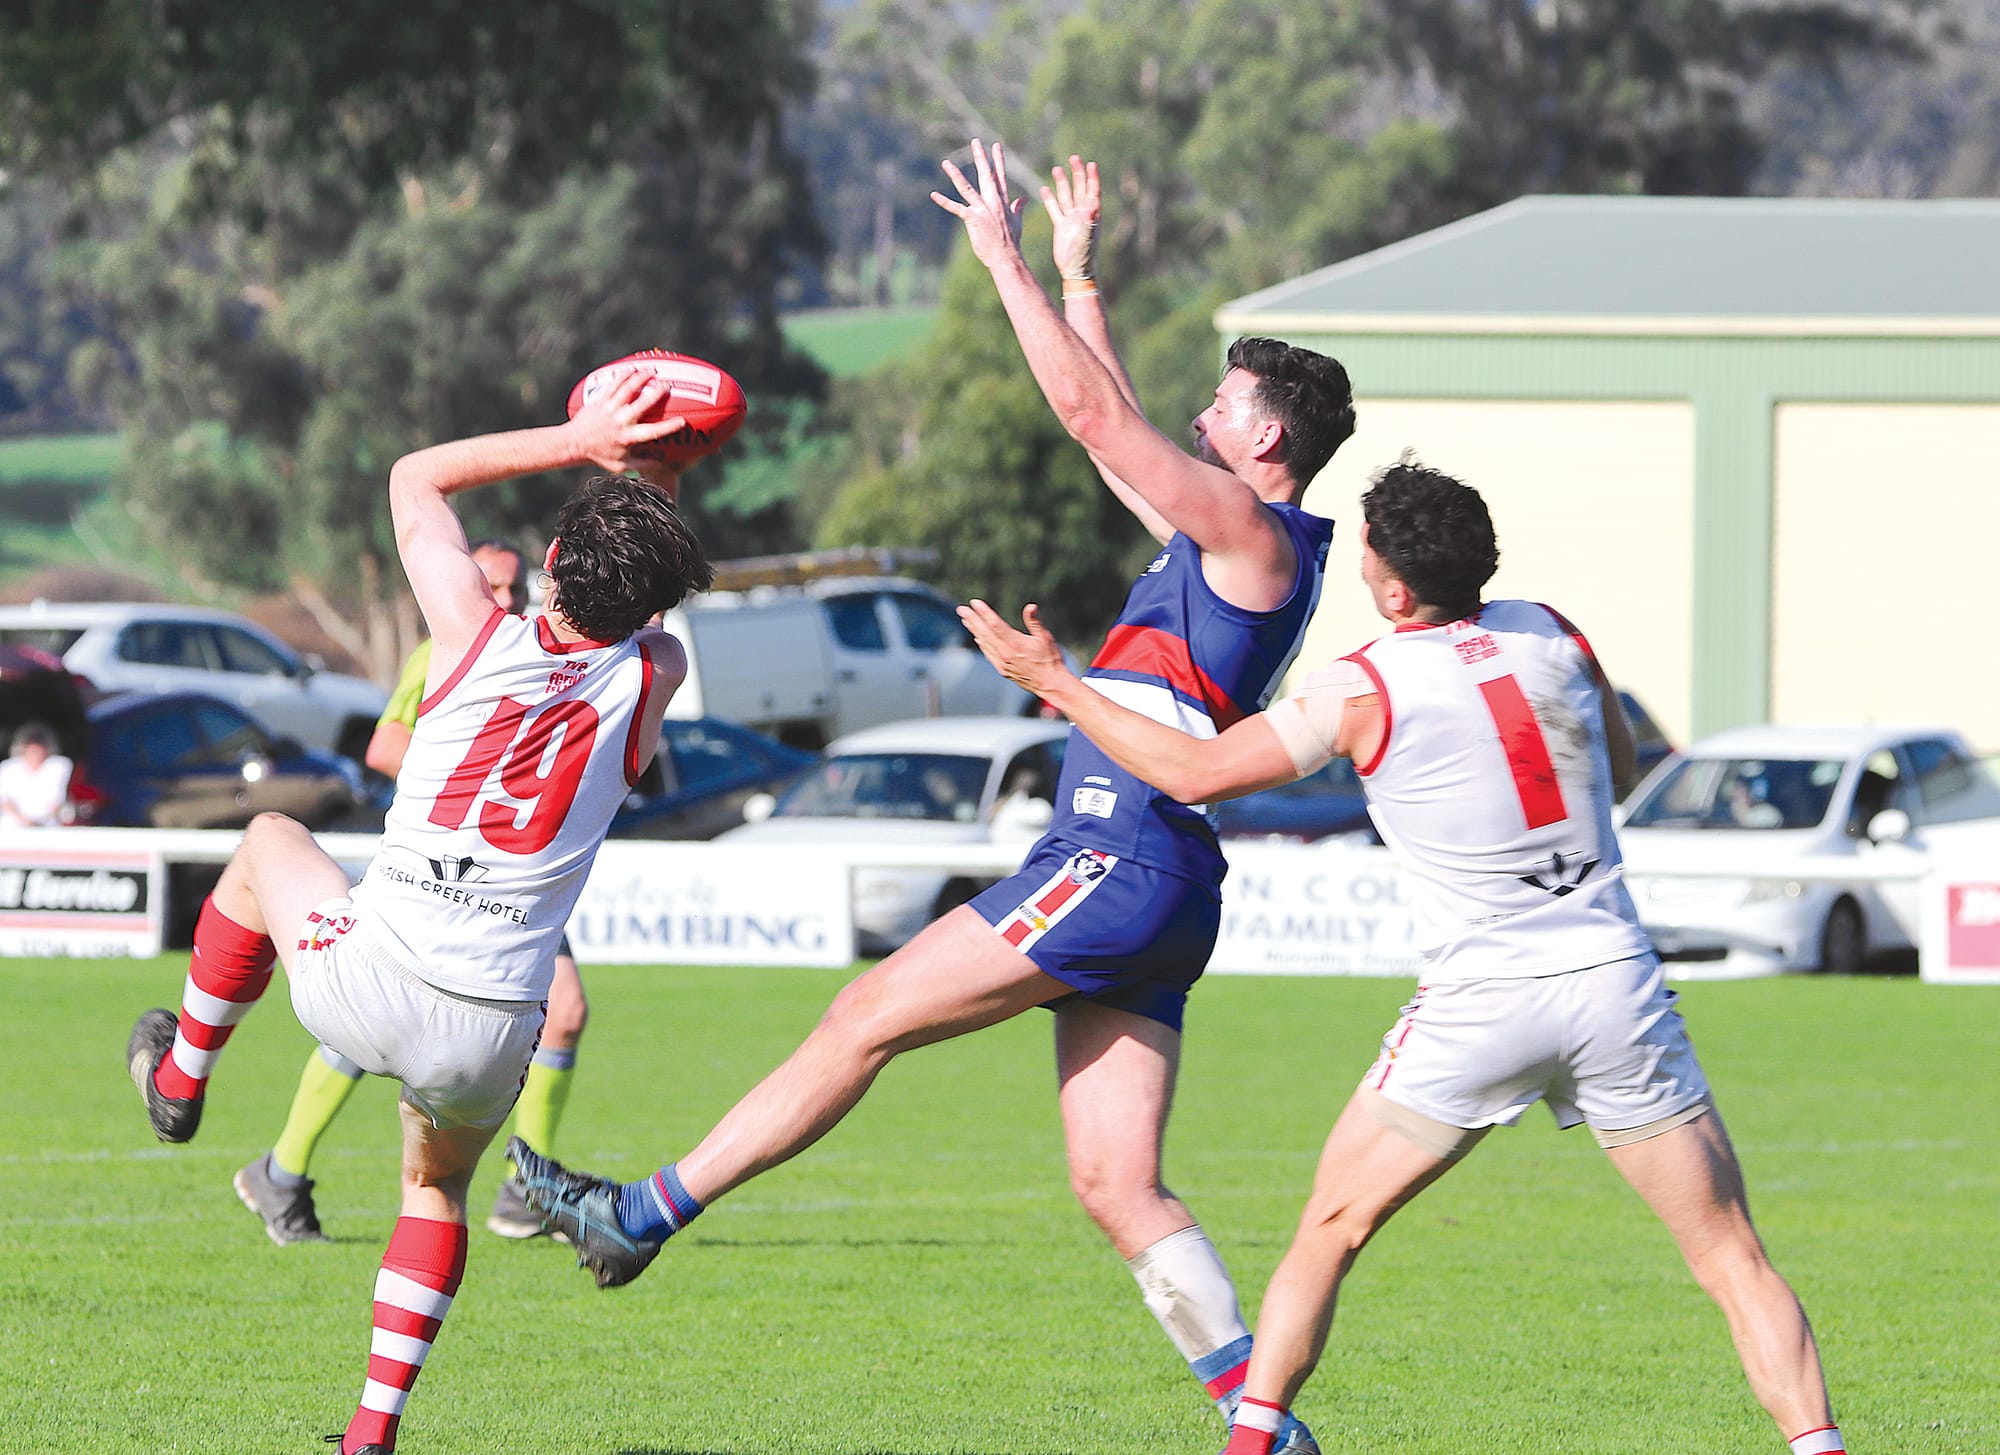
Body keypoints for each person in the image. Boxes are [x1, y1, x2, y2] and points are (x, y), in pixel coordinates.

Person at [513, 141, 1354, 1455]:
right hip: (1164, 873)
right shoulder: (1231, 537)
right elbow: (1118, 436)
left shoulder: (1251, 537)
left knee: (861, 1016)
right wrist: (1079, 280)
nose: (1199, 413)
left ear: (1268, 437)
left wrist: (1003, 261)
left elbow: (1096, 421)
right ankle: (1262, 1426)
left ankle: (643, 1213)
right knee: (1114, 1180)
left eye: (1221, 402)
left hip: (1119, 849)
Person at [959, 460, 1848, 1455]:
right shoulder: (1552, 630)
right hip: (1612, 984)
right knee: (1729, 1257)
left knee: (1327, 1234)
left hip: (1480, 1002)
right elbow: (1620, 760)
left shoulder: (1363, 683)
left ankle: (1253, 1445)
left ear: (1390, 589)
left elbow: (1194, 770)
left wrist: (1054, 685)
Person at [124, 369, 714, 1455]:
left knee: (266, 845)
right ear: (656, 604)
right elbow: (649, 611)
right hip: (491, 1029)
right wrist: (658, 481)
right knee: (433, 1190)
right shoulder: (655, 673)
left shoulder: (469, 633)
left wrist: (581, 439)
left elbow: (415, 477)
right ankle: (370, 1433)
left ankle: (181, 1076)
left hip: (365, 974)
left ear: (544, 566)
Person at [232, 540, 601, 1244]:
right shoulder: (446, 649)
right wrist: (472, 774)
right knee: (374, 1026)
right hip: (440, 869)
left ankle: (527, 1184)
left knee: (565, 1011)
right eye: (490, 583)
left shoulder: (540, 654)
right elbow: (384, 746)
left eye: (514, 585)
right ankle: (282, 1169)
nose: (505, 597)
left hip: (514, 876)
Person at [0, 721, 73, 827]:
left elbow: (58, 799)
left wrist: (41, 822)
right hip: (13, 826)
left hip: (47, 825)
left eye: (38, 750)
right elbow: (4, 800)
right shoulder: (8, 767)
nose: (35, 754)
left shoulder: (59, 765)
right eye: (32, 750)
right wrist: (23, 820)